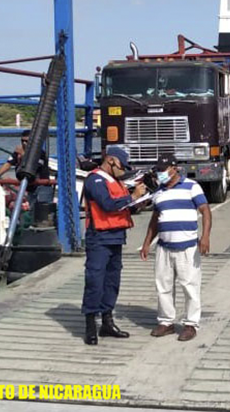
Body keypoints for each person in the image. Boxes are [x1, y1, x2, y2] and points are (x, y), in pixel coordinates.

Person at [140, 154, 212, 342]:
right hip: (164, 247)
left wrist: (205, 237)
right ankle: (166, 322)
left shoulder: (191, 186)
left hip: (187, 247)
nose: (160, 174)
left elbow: (205, 210)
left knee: (190, 286)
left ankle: (191, 324)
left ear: (174, 168)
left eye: (163, 170)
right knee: (162, 285)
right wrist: (147, 242)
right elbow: (155, 219)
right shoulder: (159, 192)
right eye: (158, 170)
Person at [82, 146, 146, 345]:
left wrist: (139, 201)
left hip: (116, 236)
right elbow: (108, 204)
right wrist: (133, 197)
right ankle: (91, 324)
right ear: (111, 160)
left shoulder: (115, 181)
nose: (123, 170)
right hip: (99, 237)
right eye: (122, 166)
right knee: (95, 280)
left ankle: (107, 322)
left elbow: (121, 206)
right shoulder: (95, 180)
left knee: (112, 280)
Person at [0, 129, 52, 207]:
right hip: (30, 188)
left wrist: (23, 155)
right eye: (22, 141)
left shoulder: (40, 153)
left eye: (27, 141)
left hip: (42, 186)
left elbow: (36, 165)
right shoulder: (18, 153)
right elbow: (8, 164)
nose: (24, 143)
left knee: (43, 209)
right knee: (32, 210)